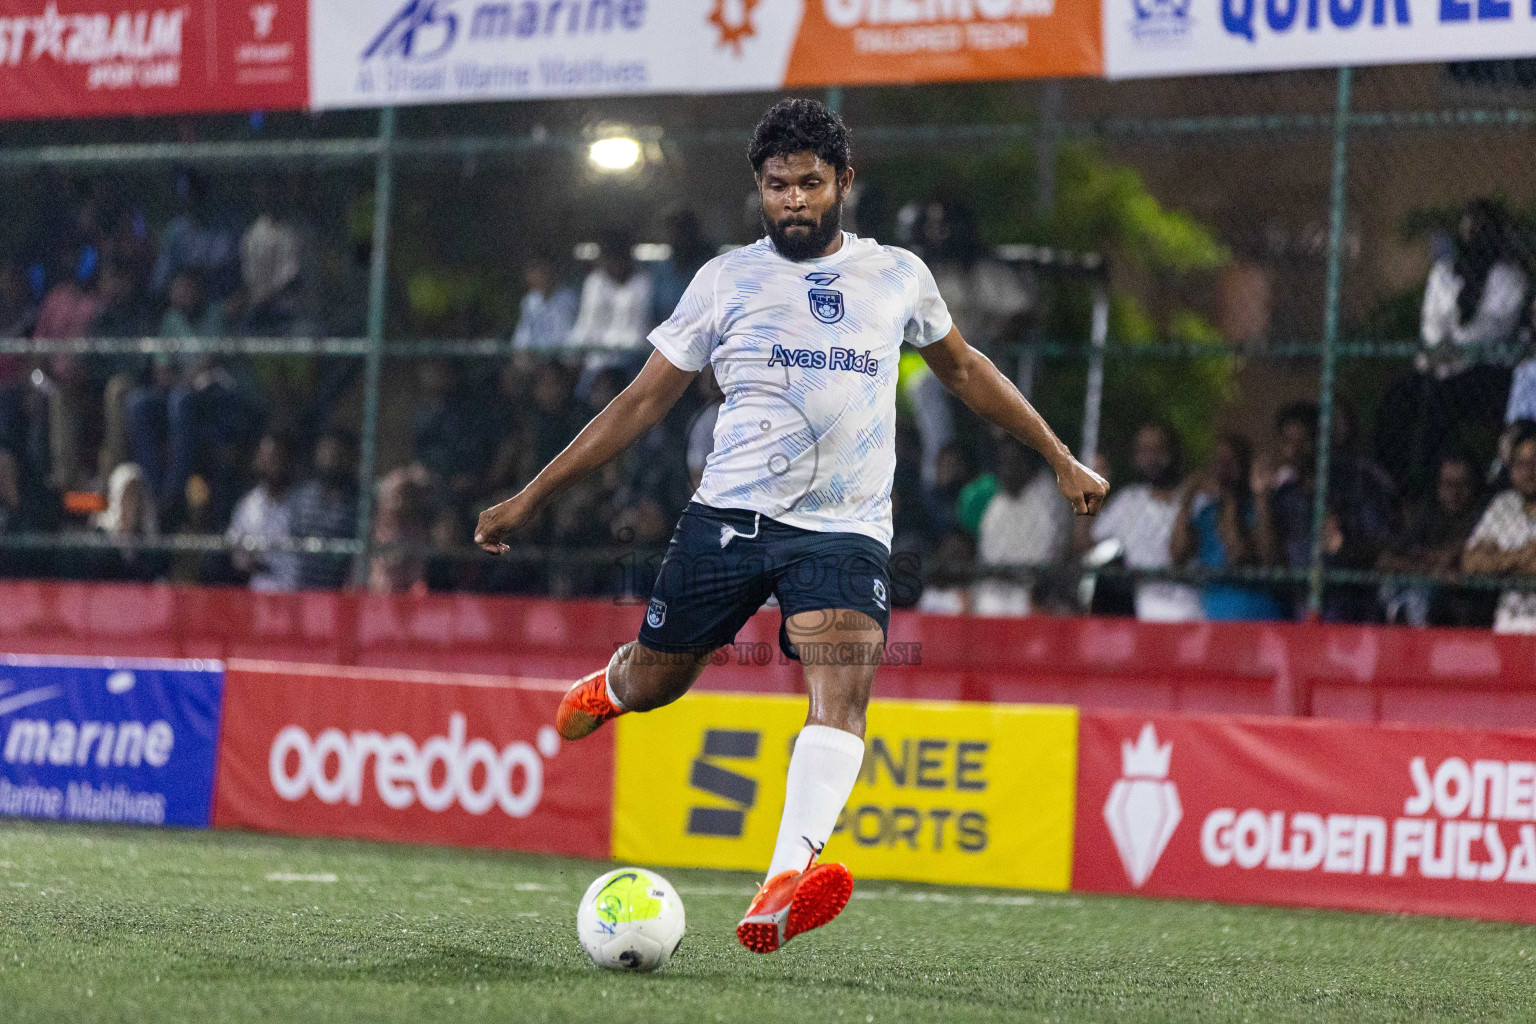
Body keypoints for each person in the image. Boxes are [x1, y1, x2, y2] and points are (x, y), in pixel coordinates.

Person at [474, 99, 1107, 954]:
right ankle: (616, 685)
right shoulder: (724, 281)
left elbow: (965, 369)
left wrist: (1060, 455)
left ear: (844, 182)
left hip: (846, 532)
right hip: (728, 518)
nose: (795, 202)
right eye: (779, 188)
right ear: (759, 192)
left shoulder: (897, 274)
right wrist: (532, 495)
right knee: (662, 683)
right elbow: (639, 404)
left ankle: (783, 876)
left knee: (842, 685)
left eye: (811, 183)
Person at [1088, 421, 1203, 622]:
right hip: (1146, 610)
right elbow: (1084, 542)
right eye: (1143, 450)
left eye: (1157, 449)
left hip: (1192, 609)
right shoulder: (1128, 501)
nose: (1151, 458)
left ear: (1173, 453)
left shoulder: (1198, 499)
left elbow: (1182, 553)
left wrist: (1188, 499)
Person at [1169, 433, 1282, 621]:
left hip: (1258, 614)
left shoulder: (1258, 508)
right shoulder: (1206, 513)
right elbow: (1177, 555)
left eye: (1231, 462)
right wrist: (1187, 500)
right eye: (1219, 462)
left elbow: (1240, 557)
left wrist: (1232, 501)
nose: (1223, 469)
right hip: (1217, 615)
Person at [1378, 452, 1488, 626]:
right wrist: (1427, 568)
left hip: (1458, 598)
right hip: (1420, 581)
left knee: (1421, 596)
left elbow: (1453, 557)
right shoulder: (1428, 516)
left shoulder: (1483, 518)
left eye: (1462, 484)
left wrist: (1424, 558)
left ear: (1473, 486)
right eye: (1448, 484)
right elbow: (1386, 559)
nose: (1454, 492)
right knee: (1390, 588)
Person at [973, 435, 1072, 616]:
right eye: (1002, 464)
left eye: (1011, 463)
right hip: (996, 589)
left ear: (1028, 464)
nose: (1005, 471)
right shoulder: (998, 503)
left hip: (1034, 593)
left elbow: (1045, 563)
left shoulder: (1049, 500)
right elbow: (986, 557)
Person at [1465, 434, 1536, 632]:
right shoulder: (1504, 504)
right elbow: (1471, 562)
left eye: (1535, 462)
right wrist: (1522, 556)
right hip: (1508, 625)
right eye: (1521, 463)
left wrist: (1498, 560)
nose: (1529, 470)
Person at [225, 432, 299, 592]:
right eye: (266, 458)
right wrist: (252, 561)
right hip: (260, 592)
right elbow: (235, 550)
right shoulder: (249, 505)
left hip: (299, 592)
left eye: (277, 458)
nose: (272, 465)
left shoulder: (301, 503)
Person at [288, 428, 360, 590]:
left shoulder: (360, 502)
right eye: (326, 453)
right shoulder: (300, 497)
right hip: (301, 589)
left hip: (341, 592)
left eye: (338, 455)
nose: (331, 460)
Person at [511, 253, 578, 353]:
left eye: (537, 270)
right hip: (534, 358)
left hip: (561, 358)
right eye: (529, 271)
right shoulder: (529, 300)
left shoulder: (568, 298)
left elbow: (565, 337)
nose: (532, 276)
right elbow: (522, 335)